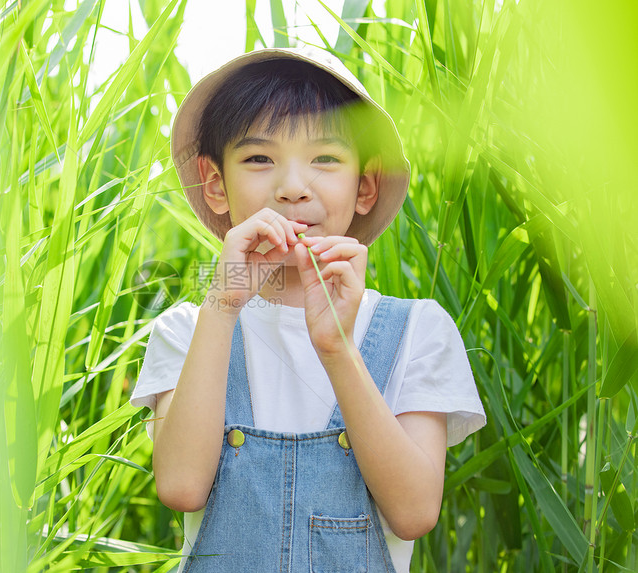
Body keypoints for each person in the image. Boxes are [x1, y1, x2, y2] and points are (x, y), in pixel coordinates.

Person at [130, 47, 486, 573]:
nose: (293, 188)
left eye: (325, 159)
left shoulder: (417, 329)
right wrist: (224, 301)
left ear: (364, 186)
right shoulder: (188, 328)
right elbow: (181, 487)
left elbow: (414, 512)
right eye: (258, 158)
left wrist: (337, 347)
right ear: (214, 183)